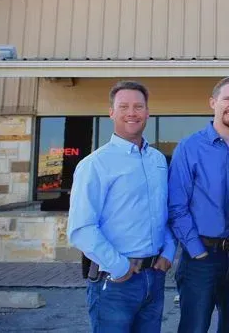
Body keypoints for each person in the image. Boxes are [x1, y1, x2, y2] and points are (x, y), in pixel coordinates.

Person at [67, 81, 175, 333]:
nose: (132, 112)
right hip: (115, 282)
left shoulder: (158, 160)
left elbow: (164, 213)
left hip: (154, 278)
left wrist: (169, 251)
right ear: (111, 112)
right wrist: (119, 266)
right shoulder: (94, 164)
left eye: (138, 106)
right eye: (123, 106)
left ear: (148, 112)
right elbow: (81, 228)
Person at [168, 76, 229, 333]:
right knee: (194, 328)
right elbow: (176, 206)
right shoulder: (190, 147)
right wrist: (197, 251)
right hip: (201, 258)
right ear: (212, 102)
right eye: (227, 98)